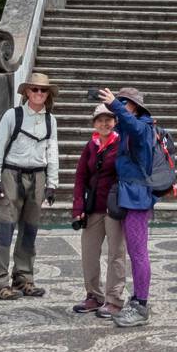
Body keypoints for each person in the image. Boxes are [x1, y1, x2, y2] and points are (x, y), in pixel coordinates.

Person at [0, 71, 60, 299]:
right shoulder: (13, 115)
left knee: (30, 231)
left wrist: (52, 183)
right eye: (34, 89)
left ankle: (23, 278)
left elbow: (52, 151)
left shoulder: (50, 120)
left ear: (48, 94)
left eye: (43, 90)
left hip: (37, 177)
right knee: (5, 230)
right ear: (27, 91)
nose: (38, 93)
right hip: (11, 174)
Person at [97, 86, 157, 327]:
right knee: (134, 251)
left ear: (134, 107)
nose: (118, 105)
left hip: (138, 195)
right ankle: (138, 299)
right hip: (129, 193)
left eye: (124, 102)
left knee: (138, 252)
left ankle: (141, 305)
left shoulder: (143, 127)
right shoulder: (130, 128)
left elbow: (132, 126)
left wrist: (116, 105)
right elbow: (121, 125)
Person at [71, 105, 127, 317]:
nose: (104, 123)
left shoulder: (122, 143)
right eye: (100, 120)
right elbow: (80, 177)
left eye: (109, 119)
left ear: (115, 122)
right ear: (94, 123)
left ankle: (114, 299)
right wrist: (78, 207)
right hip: (93, 207)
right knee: (89, 253)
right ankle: (94, 295)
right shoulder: (91, 145)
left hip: (115, 208)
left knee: (116, 254)